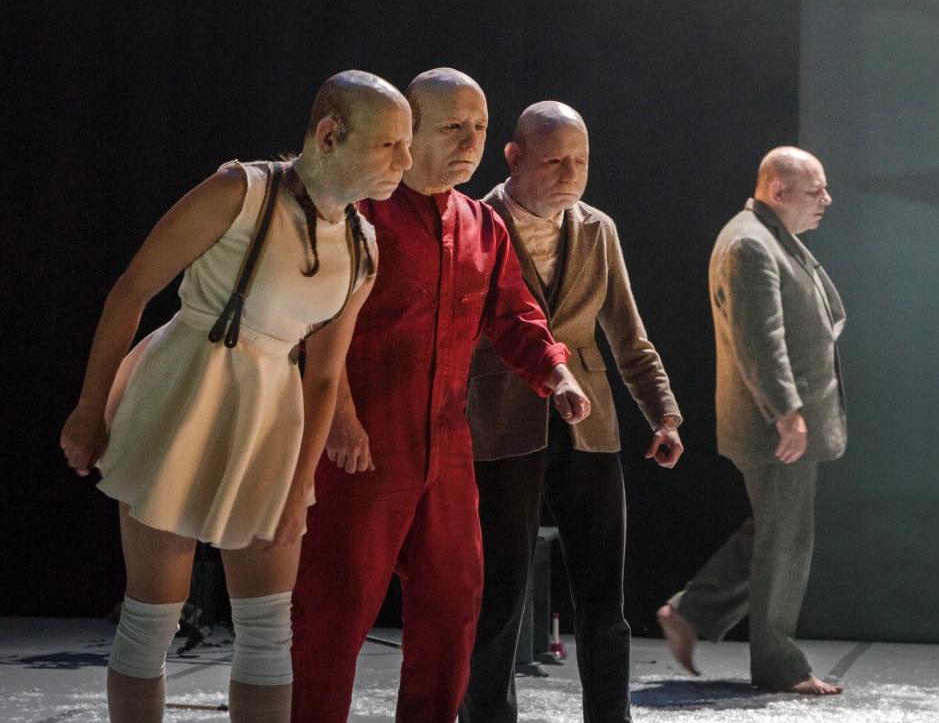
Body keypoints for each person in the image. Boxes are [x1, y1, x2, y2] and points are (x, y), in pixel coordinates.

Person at [59, 70, 412, 723]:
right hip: (184, 394)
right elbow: (129, 292)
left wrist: (297, 488)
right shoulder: (240, 192)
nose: (405, 162)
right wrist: (88, 409)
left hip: (270, 413)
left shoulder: (362, 248)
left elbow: (326, 376)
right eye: (390, 144)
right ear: (330, 134)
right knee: (152, 619)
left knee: (269, 630)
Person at [290, 70, 591, 723]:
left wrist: (556, 373)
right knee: (335, 611)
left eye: (480, 128)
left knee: (454, 606)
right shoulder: (360, 213)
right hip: (358, 445)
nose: (470, 141)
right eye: (453, 126)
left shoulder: (483, 224)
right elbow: (311, 319)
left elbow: (515, 316)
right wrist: (339, 416)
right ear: (410, 132)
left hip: (447, 448)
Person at [460, 101, 683, 723]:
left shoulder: (597, 229)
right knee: (499, 594)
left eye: (580, 161)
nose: (569, 173)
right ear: (515, 155)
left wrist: (663, 415)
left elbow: (628, 334)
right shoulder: (478, 221)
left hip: (590, 425)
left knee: (603, 599)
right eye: (554, 158)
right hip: (503, 420)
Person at [656, 146, 846, 696]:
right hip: (772, 426)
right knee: (787, 541)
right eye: (817, 192)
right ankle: (779, 664)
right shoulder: (750, 244)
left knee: (774, 530)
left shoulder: (767, 237)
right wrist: (787, 412)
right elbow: (760, 341)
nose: (827, 201)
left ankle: (689, 612)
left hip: (777, 421)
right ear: (779, 191)